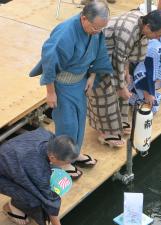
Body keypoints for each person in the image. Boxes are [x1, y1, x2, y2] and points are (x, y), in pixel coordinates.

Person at [29, 1, 113, 179]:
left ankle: (74, 153)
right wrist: (50, 92)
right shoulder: (66, 32)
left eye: (101, 28)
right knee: (67, 124)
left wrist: (92, 76)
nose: (98, 32)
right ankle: (61, 160)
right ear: (84, 18)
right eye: (95, 28)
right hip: (62, 84)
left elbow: (99, 53)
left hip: (80, 81)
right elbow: (50, 61)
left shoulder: (95, 29)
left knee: (80, 120)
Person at [87, 9, 161, 147]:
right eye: (158, 34)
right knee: (106, 92)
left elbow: (128, 55)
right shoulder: (128, 33)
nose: (158, 37)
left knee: (124, 85)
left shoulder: (143, 23)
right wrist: (120, 87)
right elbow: (117, 61)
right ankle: (105, 132)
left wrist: (126, 72)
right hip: (99, 53)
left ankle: (118, 121)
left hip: (116, 53)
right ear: (148, 27)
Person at [0, 128, 79, 225]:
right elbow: (48, 198)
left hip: (11, 154)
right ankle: (12, 207)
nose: (65, 165)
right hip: (3, 174)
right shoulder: (36, 166)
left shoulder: (49, 136)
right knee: (34, 198)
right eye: (65, 163)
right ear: (53, 157)